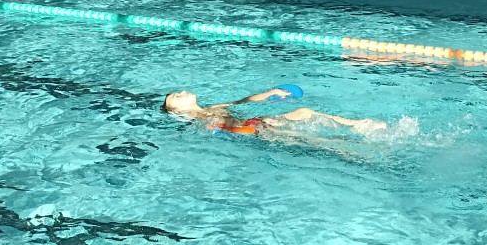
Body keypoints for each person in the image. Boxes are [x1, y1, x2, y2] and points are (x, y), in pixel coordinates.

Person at [162, 87, 386, 136]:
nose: (182, 92)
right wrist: (248, 131)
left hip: (255, 121)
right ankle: (350, 151)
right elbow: (216, 129)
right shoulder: (196, 117)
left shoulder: (212, 108)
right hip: (253, 129)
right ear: (177, 110)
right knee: (304, 137)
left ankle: (356, 124)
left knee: (304, 111)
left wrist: (270, 93)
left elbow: (244, 101)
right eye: (176, 96)